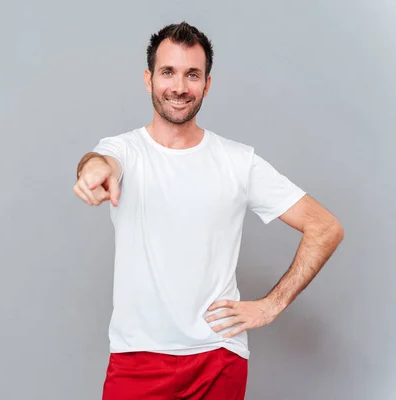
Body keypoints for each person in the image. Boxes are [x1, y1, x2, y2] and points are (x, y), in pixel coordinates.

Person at [72, 22, 344, 400]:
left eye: (192, 74)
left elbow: (325, 227)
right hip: (136, 360)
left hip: (217, 359)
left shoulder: (238, 161)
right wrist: (93, 170)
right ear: (149, 79)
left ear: (207, 84)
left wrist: (271, 305)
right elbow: (101, 161)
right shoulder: (125, 150)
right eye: (168, 72)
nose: (180, 87)